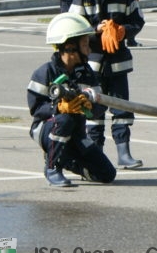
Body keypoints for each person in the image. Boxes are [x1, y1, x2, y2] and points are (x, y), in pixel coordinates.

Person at [71, 0, 146, 169]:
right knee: (94, 111)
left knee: (122, 109)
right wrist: (96, 29)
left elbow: (138, 20)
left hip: (118, 63)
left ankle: (124, 153)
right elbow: (73, 28)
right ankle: (96, 154)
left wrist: (123, 30)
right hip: (92, 64)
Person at [28, 12, 116, 188]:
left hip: (77, 133)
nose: (89, 50)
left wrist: (90, 106)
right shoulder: (45, 73)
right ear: (69, 48)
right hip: (46, 129)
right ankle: (52, 167)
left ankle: (67, 160)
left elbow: (99, 108)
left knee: (107, 174)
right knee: (64, 119)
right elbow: (36, 108)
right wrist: (59, 107)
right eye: (85, 45)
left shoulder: (87, 73)